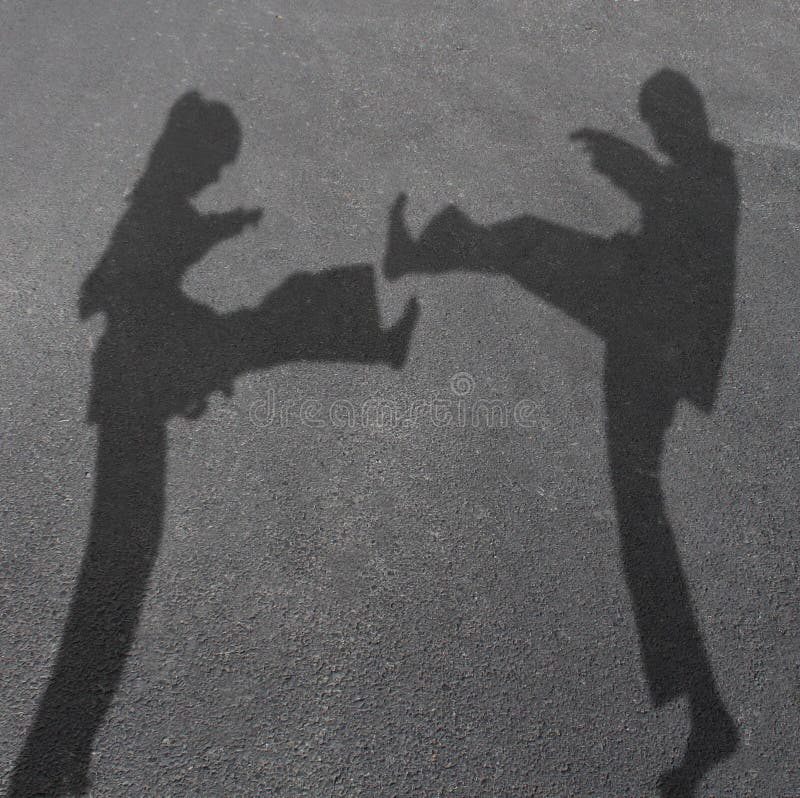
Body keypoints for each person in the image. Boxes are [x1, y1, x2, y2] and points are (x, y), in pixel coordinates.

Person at [10, 91, 417, 796]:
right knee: (124, 553)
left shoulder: (160, 197)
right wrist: (182, 338)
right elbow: (138, 277)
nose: (218, 174)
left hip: (143, 377)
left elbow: (131, 267)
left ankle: (371, 339)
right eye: (217, 163)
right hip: (144, 379)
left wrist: (219, 232)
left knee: (260, 335)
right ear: (193, 154)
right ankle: (55, 763)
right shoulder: (158, 205)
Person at [383, 69, 739, 796]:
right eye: (656, 124)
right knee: (526, 242)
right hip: (640, 317)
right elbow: (671, 206)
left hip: (653, 338)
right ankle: (705, 712)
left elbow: (687, 209)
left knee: (642, 518)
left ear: (687, 118)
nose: (661, 134)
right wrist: (635, 174)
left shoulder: (710, 174)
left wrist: (631, 167)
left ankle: (707, 713)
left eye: (665, 121)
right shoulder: (694, 170)